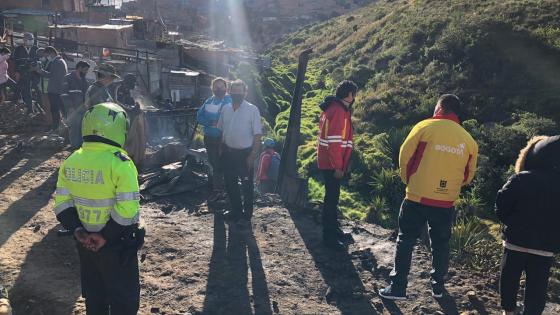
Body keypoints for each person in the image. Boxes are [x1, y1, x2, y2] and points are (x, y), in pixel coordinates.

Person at [379, 94, 478, 300]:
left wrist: (410, 180)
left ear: (440, 107)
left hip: (417, 196)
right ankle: (438, 287)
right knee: (441, 243)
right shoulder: (468, 140)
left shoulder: (424, 127)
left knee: (405, 240)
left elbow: (404, 156)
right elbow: (468, 176)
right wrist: (449, 187)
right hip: (446, 201)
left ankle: (398, 288)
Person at [53, 102, 144, 315]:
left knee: (94, 295)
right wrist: (104, 236)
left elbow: (62, 205)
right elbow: (127, 209)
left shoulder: (71, 160)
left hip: (85, 245)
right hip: (117, 246)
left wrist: (78, 231)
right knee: (124, 301)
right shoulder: (121, 163)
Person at [496, 136, 560, 315]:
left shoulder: (521, 178)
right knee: (537, 288)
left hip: (515, 241)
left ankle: (508, 311)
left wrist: (510, 224)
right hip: (545, 247)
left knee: (509, 279)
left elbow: (501, 204)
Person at [316, 80, 358, 250]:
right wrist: (338, 166)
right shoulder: (339, 111)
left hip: (329, 162)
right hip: (332, 164)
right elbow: (334, 142)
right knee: (331, 199)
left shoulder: (335, 109)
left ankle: (334, 230)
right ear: (349, 95)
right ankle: (329, 237)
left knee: (333, 197)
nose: (355, 97)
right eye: (354, 94)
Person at [217, 79, 262, 222]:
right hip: (228, 153)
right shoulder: (225, 109)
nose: (237, 93)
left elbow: (257, 134)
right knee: (230, 183)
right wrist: (220, 149)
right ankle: (235, 211)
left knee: (247, 184)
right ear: (229, 92)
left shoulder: (252, 109)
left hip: (245, 154)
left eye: (239, 91)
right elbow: (221, 131)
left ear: (245, 92)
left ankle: (247, 214)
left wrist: (252, 155)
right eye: (234, 91)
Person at [197, 77, 231, 193]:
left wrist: (219, 121)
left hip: (225, 139)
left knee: (226, 163)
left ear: (226, 88)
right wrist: (210, 122)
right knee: (215, 164)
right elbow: (199, 116)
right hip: (210, 138)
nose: (219, 89)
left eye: (221, 87)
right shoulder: (209, 101)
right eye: (216, 87)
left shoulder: (230, 101)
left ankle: (228, 188)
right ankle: (218, 189)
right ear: (212, 88)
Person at [34, 46, 68, 131]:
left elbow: (52, 75)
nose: (46, 57)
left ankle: (55, 127)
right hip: (57, 89)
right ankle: (57, 127)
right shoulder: (60, 61)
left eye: (47, 55)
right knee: (56, 109)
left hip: (55, 90)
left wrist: (41, 71)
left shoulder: (57, 62)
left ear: (51, 53)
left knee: (55, 110)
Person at [65, 60, 90, 149]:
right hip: (72, 109)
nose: (86, 72)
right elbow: (64, 95)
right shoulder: (68, 78)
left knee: (81, 127)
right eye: (85, 70)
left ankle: (80, 146)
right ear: (79, 68)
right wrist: (70, 107)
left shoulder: (84, 81)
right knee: (74, 128)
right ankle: (74, 146)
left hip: (82, 108)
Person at [13, 32, 38, 114]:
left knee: (28, 91)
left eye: (32, 39)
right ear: (24, 40)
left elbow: (38, 61)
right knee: (19, 89)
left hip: (33, 74)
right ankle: (16, 106)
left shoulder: (35, 49)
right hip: (21, 73)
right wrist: (16, 72)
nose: (31, 41)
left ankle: (30, 108)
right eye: (29, 39)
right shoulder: (18, 49)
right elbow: (15, 62)